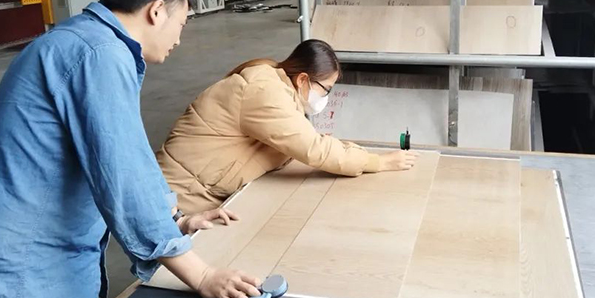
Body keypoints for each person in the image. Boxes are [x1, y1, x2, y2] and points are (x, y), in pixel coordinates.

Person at [0, 0, 261, 298]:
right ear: (157, 11)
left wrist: (174, 220)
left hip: (30, 284)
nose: (179, 38)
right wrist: (203, 275)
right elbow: (122, 174)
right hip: (23, 293)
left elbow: (123, 152)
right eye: (182, 23)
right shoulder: (99, 54)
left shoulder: (83, 42)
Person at [156, 39, 419, 214]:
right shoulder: (264, 91)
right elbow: (315, 150)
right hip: (182, 200)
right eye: (326, 89)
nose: (325, 97)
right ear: (303, 79)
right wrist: (379, 162)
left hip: (201, 193)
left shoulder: (275, 83)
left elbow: (299, 141)